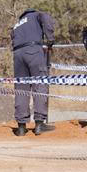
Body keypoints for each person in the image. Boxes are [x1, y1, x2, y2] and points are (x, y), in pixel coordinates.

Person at [10, 8, 56, 136]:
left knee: (21, 89)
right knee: (40, 85)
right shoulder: (37, 15)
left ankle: (21, 126)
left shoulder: (18, 23)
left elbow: (12, 38)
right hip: (33, 50)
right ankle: (40, 124)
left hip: (18, 54)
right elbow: (46, 19)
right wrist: (50, 40)